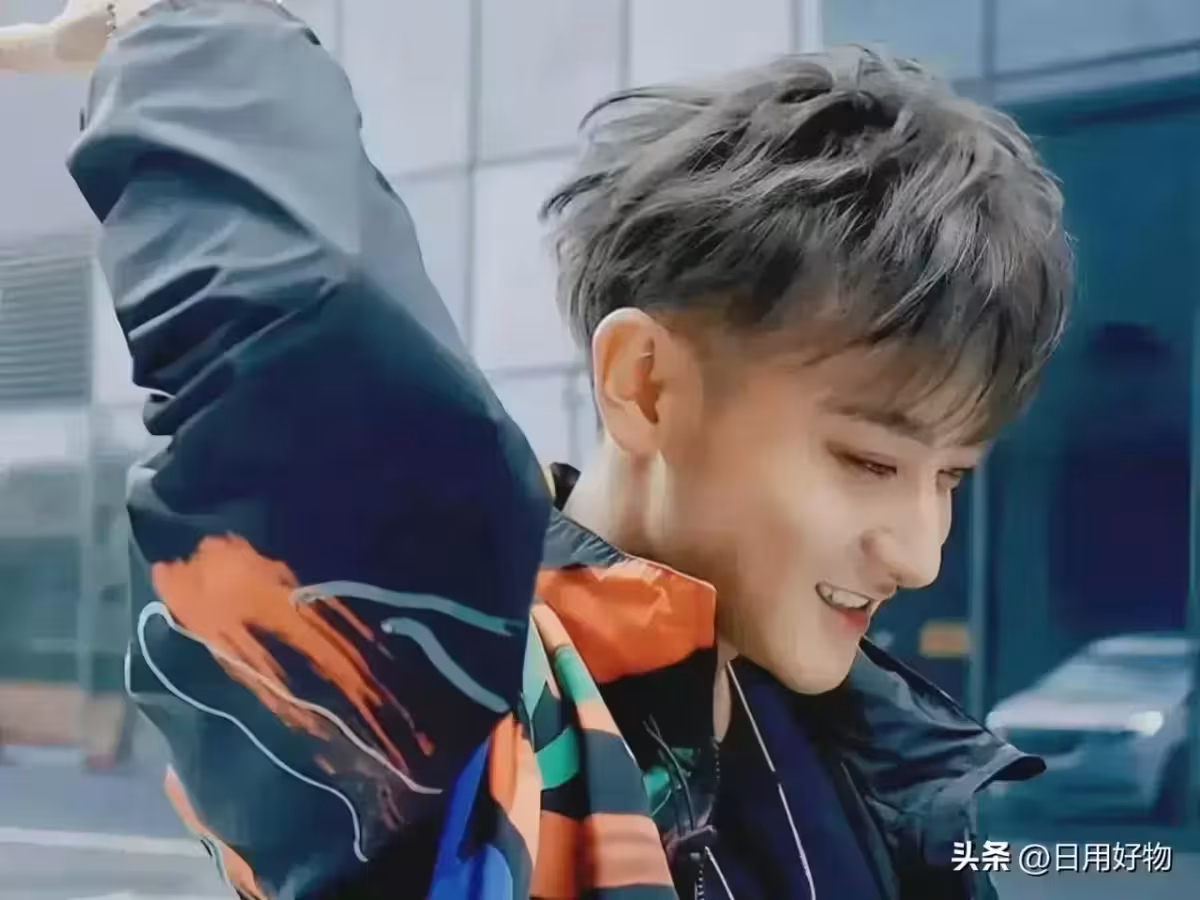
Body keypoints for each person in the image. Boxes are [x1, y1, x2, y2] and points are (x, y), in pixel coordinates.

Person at [1, 1, 1071, 898]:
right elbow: (319, 357)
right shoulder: (455, 700)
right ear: (645, 385)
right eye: (870, 464)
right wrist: (184, 28)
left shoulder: (881, 764)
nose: (920, 553)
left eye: (952, 477)